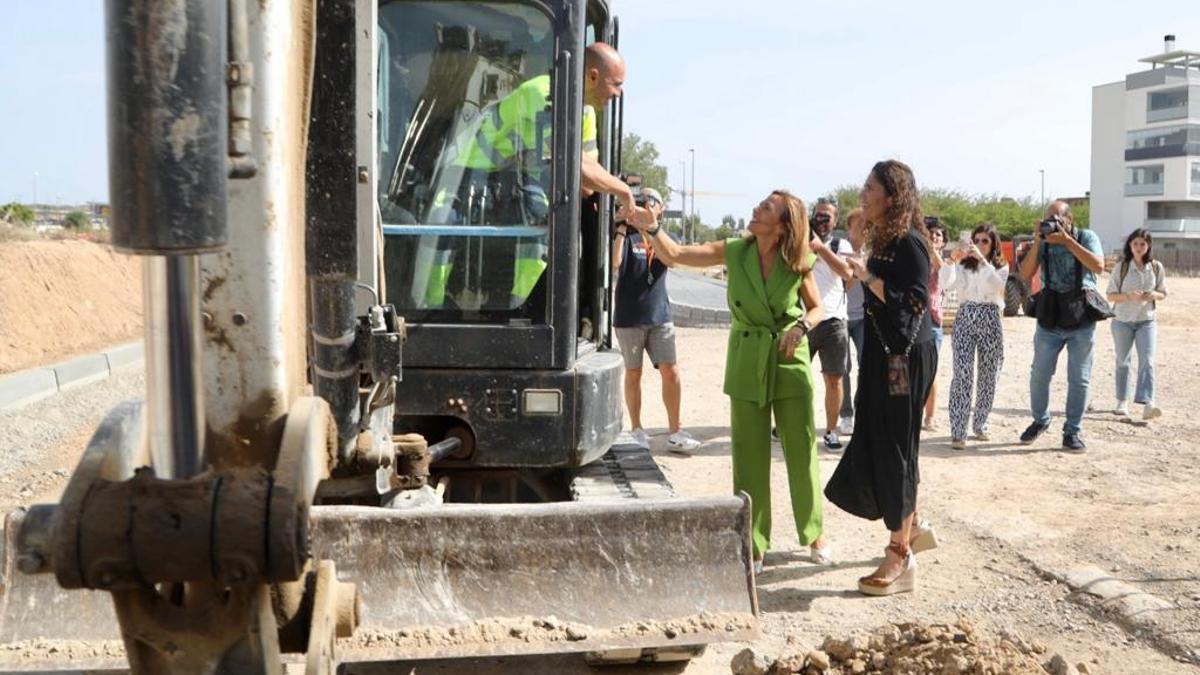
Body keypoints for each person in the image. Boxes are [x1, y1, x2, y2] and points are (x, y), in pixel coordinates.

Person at [626, 190, 832, 572]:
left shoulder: (797, 259)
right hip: (746, 357)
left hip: (789, 358)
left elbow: (818, 308)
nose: (756, 208)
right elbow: (677, 255)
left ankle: (813, 531)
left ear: (784, 224)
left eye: (766, 207)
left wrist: (802, 326)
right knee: (749, 456)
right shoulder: (735, 250)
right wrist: (651, 226)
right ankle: (754, 541)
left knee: (801, 451)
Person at [424, 42, 645, 309]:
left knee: (540, 230)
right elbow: (574, 166)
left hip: (512, 178)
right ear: (593, 76)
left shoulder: (585, 110)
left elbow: (587, 180)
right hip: (471, 177)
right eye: (616, 84)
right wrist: (621, 191)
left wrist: (615, 192)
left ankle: (526, 309)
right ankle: (438, 305)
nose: (619, 93)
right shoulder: (546, 95)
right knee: (445, 242)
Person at [825, 160, 938, 597]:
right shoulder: (888, 240)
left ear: (891, 196)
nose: (862, 192)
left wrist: (868, 275)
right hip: (884, 356)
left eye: (870, 186)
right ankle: (913, 523)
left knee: (895, 445)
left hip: (902, 363)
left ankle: (899, 554)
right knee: (887, 440)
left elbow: (912, 305)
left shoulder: (909, 243)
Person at [612, 187, 702, 452]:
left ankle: (676, 430)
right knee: (633, 372)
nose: (644, 205)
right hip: (629, 316)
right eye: (639, 202)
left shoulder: (664, 237)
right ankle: (637, 428)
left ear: (660, 208)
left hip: (660, 315)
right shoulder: (625, 236)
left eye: (650, 202)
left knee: (670, 371)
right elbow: (615, 263)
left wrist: (650, 230)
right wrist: (619, 227)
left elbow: (671, 260)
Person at [1018, 201, 1105, 452]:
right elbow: (1025, 274)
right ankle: (1040, 420)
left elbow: (1098, 266)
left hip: (1081, 317)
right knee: (1039, 374)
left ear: (1070, 219)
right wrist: (1037, 240)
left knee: (1079, 378)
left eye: (1056, 218)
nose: (1052, 222)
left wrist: (1068, 241)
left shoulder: (1085, 236)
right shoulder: (1043, 241)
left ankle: (1072, 431)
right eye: (1048, 218)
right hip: (1051, 315)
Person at [941, 222, 1008, 449]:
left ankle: (980, 423)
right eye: (976, 240)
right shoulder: (962, 266)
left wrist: (983, 261)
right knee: (962, 374)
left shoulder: (1000, 266)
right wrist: (951, 260)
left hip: (990, 316)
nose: (979, 245)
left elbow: (999, 287)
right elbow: (945, 284)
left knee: (989, 374)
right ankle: (958, 430)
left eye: (985, 241)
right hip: (966, 315)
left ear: (993, 244)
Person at [803, 198, 855, 450]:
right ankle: (788, 424)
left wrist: (821, 249)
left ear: (835, 220)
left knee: (833, 379)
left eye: (827, 216)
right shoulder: (801, 240)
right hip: (803, 319)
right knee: (795, 377)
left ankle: (832, 430)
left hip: (834, 320)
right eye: (819, 215)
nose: (822, 220)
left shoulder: (839, 244)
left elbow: (847, 273)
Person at [1106, 228, 1167, 421]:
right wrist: (1128, 296)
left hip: (1146, 321)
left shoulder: (1156, 267)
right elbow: (1110, 295)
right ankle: (1122, 401)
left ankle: (1148, 403)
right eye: (1135, 244)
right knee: (1123, 362)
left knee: (1147, 361)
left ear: (1148, 246)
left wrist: (1153, 295)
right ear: (1130, 246)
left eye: (1143, 244)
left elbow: (1163, 293)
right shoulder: (1121, 267)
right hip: (1122, 321)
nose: (1139, 247)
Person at [838, 208, 867, 435]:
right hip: (841, 316)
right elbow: (841, 288)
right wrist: (856, 273)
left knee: (867, 365)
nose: (863, 229)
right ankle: (846, 415)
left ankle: (862, 410)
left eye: (867, 225)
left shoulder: (873, 251)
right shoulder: (840, 250)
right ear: (849, 227)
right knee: (843, 367)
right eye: (858, 225)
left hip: (864, 318)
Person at [922, 218, 947, 431]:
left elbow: (942, 269)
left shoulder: (944, 264)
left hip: (933, 321)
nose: (933, 237)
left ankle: (930, 416)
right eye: (930, 233)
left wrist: (933, 250)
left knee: (931, 371)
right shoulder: (915, 257)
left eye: (938, 235)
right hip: (913, 319)